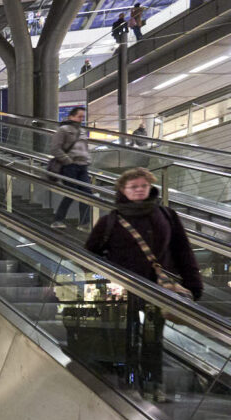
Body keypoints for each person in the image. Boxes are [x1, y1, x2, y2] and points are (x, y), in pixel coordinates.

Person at [84, 168, 202, 402]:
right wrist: (104, 282)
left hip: (158, 291)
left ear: (150, 187)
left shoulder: (166, 216)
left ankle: (152, 384)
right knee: (125, 338)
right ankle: (129, 384)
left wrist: (193, 284)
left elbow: (182, 251)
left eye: (143, 186)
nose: (139, 190)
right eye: (133, 187)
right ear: (122, 190)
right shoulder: (110, 221)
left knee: (152, 339)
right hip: (121, 292)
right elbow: (89, 255)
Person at [49, 106, 93, 230]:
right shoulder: (63, 130)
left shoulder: (82, 131)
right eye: (79, 116)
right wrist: (67, 160)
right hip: (70, 167)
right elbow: (54, 148)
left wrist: (88, 159)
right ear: (71, 116)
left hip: (83, 167)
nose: (81, 119)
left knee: (87, 193)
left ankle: (84, 223)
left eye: (83, 117)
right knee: (72, 193)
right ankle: (58, 220)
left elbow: (85, 148)